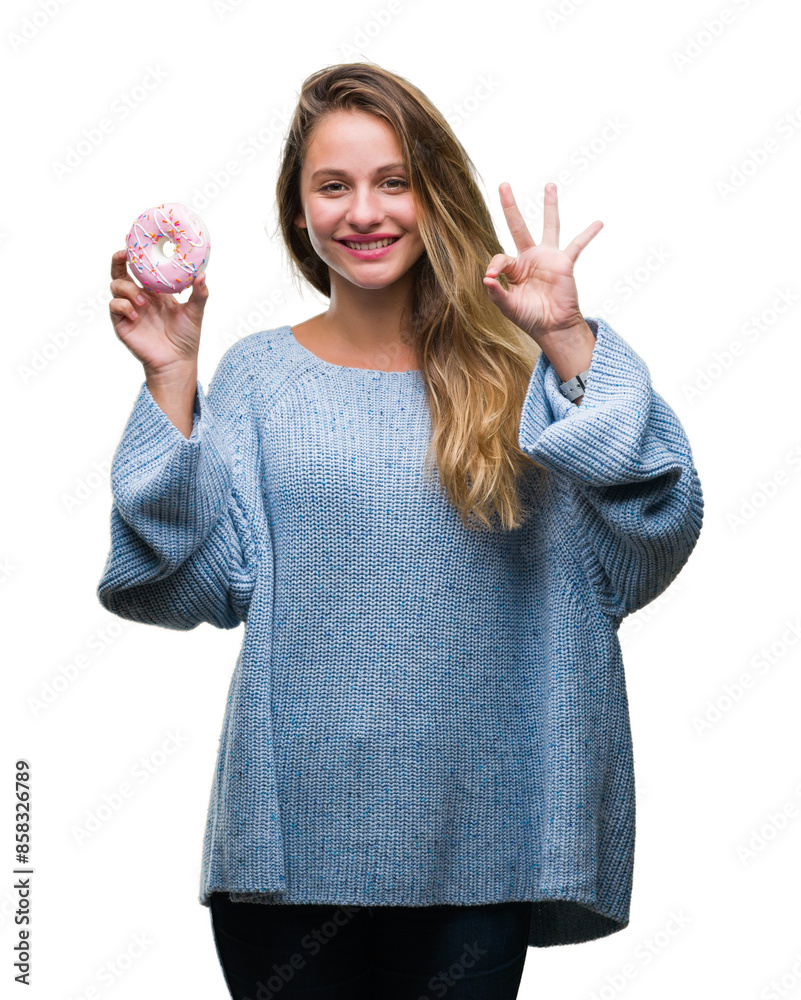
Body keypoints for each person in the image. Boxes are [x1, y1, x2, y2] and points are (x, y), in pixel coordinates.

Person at [98, 62, 704, 1000]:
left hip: (485, 844)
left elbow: (650, 533)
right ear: (298, 212)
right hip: (288, 853)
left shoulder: (524, 373)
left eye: (393, 180)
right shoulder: (258, 380)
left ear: (434, 196)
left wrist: (569, 339)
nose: (363, 211)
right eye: (332, 185)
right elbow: (176, 587)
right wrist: (173, 378)